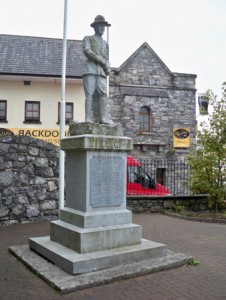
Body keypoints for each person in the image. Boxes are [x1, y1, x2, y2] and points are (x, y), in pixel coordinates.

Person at [82, 15, 113, 125]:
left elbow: (107, 58)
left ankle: (102, 118)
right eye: (100, 25)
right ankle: (88, 118)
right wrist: (100, 61)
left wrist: (108, 67)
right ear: (95, 27)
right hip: (90, 70)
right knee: (89, 94)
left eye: (104, 26)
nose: (103, 28)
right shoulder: (88, 39)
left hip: (102, 72)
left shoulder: (105, 44)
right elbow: (87, 51)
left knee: (103, 94)